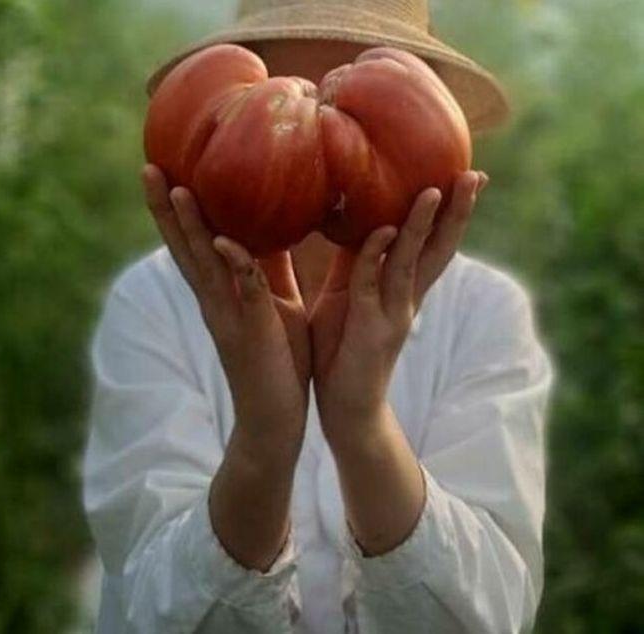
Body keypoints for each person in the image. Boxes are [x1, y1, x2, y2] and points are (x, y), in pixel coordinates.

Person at [83, 1, 553, 632]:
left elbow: (487, 615)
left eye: (367, 101)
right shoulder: (153, 301)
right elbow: (150, 606)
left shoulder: (484, 312)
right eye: (286, 99)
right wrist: (264, 438)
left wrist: (362, 426)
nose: (321, 126)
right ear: (223, 112)